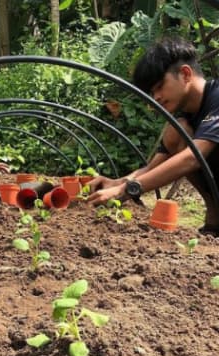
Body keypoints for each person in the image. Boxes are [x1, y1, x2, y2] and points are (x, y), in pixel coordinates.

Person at [87, 37, 219, 235]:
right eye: (151, 92)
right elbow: (155, 166)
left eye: (159, 87)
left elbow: (193, 158)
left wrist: (127, 191)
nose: (155, 98)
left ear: (185, 74)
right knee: (177, 131)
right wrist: (118, 183)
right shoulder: (186, 117)